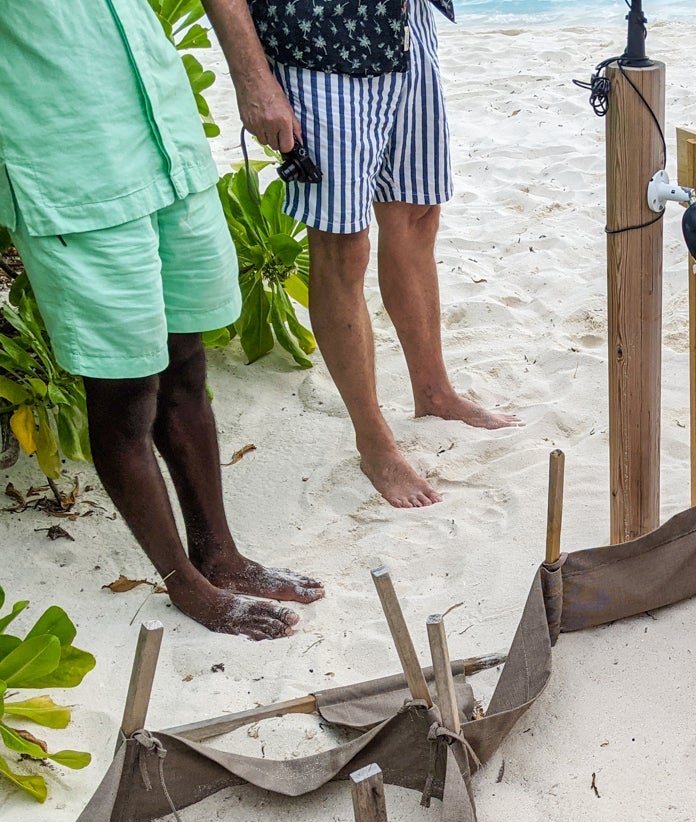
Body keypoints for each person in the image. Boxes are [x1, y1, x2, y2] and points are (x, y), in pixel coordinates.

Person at [0, 0, 322, 640]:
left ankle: (219, 553)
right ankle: (185, 583)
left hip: (166, 145)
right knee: (125, 391)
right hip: (70, 173)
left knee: (186, 368)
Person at [206, 0, 520, 510]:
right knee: (342, 245)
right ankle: (373, 442)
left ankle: (434, 392)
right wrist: (253, 79)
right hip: (316, 45)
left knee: (418, 213)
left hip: (407, 30)